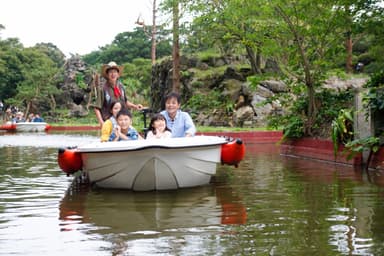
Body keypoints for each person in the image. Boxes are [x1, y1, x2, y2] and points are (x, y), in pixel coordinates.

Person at [93, 61, 143, 127]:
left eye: (115, 72)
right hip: (109, 121)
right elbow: (97, 108)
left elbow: (125, 102)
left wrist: (135, 106)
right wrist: (101, 122)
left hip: (122, 120)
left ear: (118, 74)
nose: (113, 74)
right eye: (110, 72)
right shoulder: (103, 89)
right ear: (107, 75)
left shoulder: (121, 87)